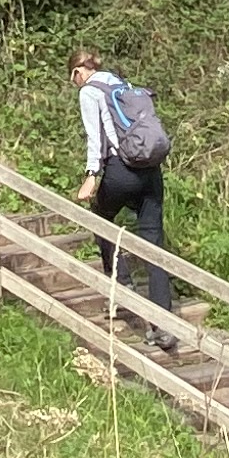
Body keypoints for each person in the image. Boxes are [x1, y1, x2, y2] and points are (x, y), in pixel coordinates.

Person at [71, 46, 180, 338]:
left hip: (121, 170)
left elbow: (96, 138)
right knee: (153, 242)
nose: (75, 84)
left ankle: (121, 280)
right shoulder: (121, 84)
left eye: (74, 79)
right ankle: (163, 326)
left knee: (101, 216)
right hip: (150, 169)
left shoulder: (89, 92)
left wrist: (92, 176)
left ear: (78, 72)